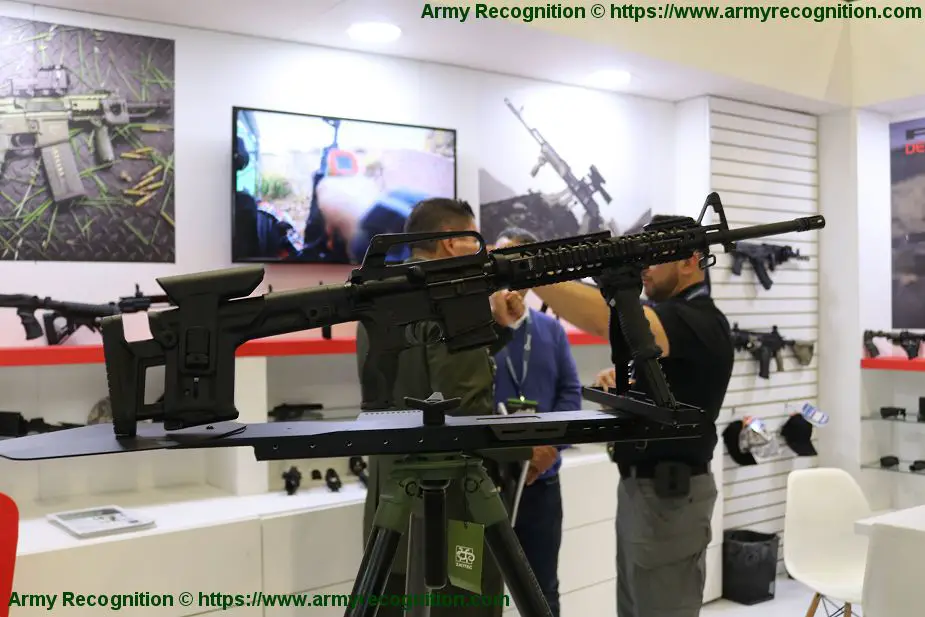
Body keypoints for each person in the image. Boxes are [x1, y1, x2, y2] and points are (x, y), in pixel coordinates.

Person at [532, 214, 734, 617]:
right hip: (643, 493)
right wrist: (621, 392)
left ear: (689, 261)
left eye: (654, 257)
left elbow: (614, 320)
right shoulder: (671, 323)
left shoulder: (700, 320)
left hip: (669, 500)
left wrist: (536, 274)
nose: (645, 268)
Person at [355, 197, 519, 617]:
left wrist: (495, 328)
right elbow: (466, 409)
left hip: (391, 511)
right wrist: (523, 449)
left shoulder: (378, 296)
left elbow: (419, 374)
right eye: (474, 240)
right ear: (451, 242)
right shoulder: (454, 296)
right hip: (452, 513)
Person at [492, 228, 582, 617]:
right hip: (489, 483)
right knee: (478, 588)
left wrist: (549, 448)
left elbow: (570, 394)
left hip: (542, 484)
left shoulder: (551, 330)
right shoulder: (475, 332)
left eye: (521, 265)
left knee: (543, 590)